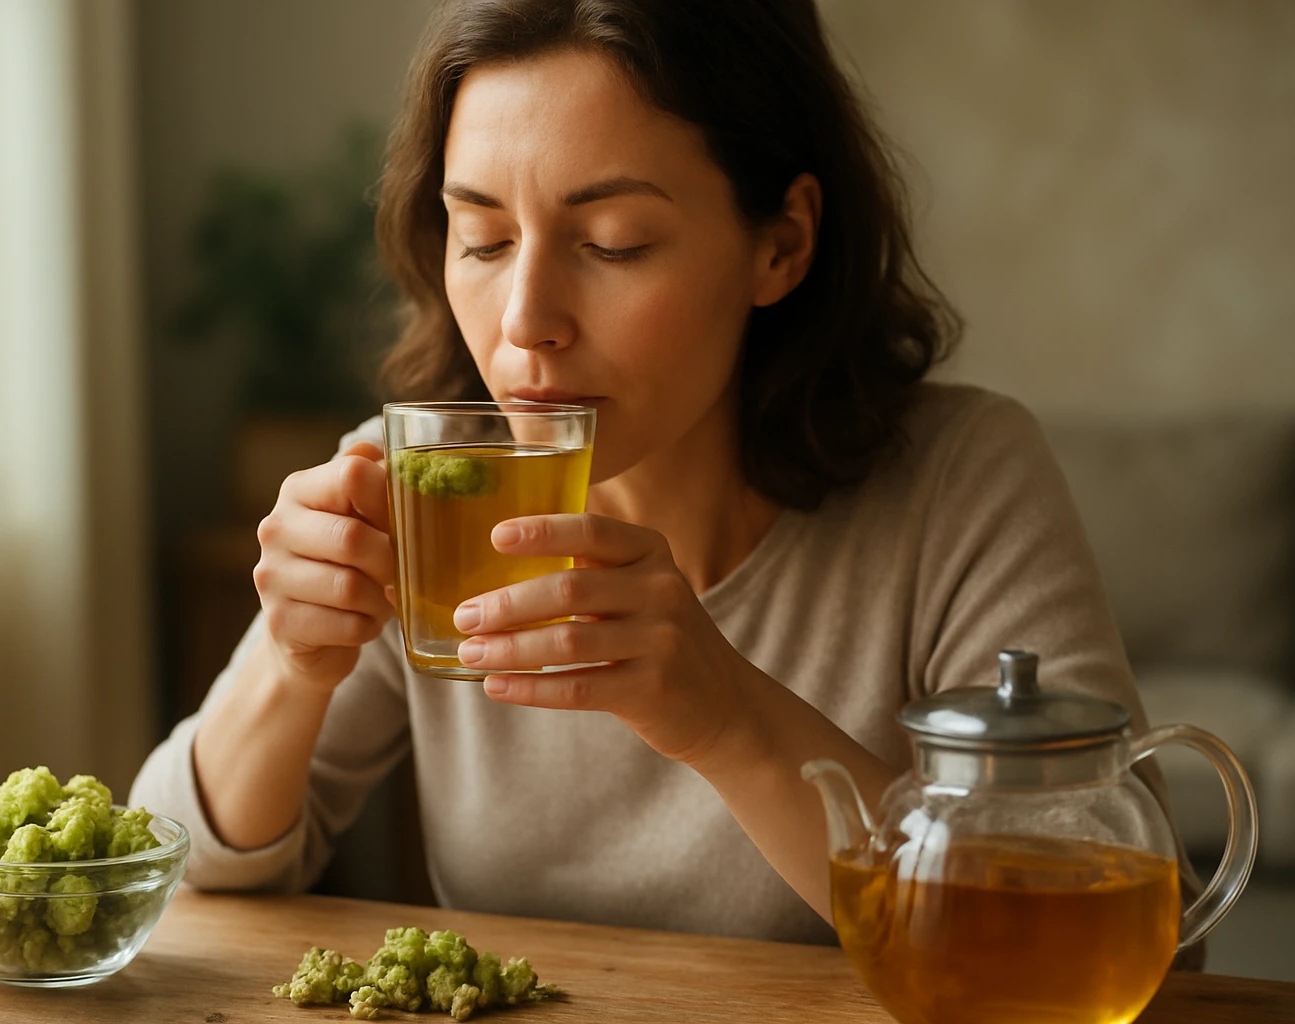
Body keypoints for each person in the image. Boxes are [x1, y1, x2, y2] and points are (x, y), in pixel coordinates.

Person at [131, 0, 1201, 957]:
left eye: (613, 242)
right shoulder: (427, 486)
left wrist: (727, 717)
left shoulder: (962, 481)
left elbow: (1140, 934)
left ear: (781, 243)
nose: (525, 325)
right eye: (484, 237)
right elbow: (165, 876)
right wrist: (284, 661)